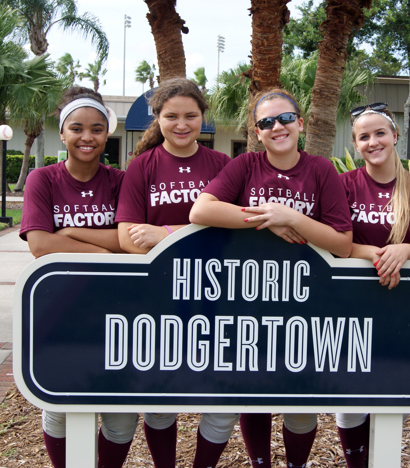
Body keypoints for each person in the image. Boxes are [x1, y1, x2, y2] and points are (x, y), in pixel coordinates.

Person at [189, 88, 353, 468]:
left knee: (300, 402)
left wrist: (292, 218)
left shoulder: (320, 170)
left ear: (301, 123)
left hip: (305, 303)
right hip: (248, 299)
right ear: (257, 132)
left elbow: (342, 244)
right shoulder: (246, 166)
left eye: (284, 118)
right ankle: (260, 462)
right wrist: (267, 221)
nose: (277, 127)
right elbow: (202, 210)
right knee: (251, 391)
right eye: (266, 122)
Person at [115, 77, 235, 468]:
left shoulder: (222, 165)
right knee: (159, 395)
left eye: (190, 115)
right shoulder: (142, 167)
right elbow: (128, 238)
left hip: (218, 295)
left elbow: (236, 233)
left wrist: (166, 233)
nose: (181, 124)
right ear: (157, 117)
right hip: (158, 296)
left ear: (203, 117)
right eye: (171, 116)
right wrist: (200, 236)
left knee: (222, 396)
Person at [19, 87, 136, 468]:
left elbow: (130, 241)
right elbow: (39, 243)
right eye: (78, 128)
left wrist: (70, 234)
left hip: (118, 307)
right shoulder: (43, 179)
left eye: (97, 129)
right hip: (60, 306)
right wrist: (103, 254)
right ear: (63, 132)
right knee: (60, 404)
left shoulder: (120, 180)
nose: (88, 137)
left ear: (107, 134)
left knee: (122, 412)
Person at [336, 102, 410, 467]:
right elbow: (330, 242)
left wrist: (407, 249)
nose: (373, 141)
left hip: (404, 307)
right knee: (349, 401)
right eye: (364, 137)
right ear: (355, 145)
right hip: (351, 305)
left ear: (395, 135)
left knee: (392, 399)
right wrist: (375, 253)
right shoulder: (342, 186)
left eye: (380, 133)